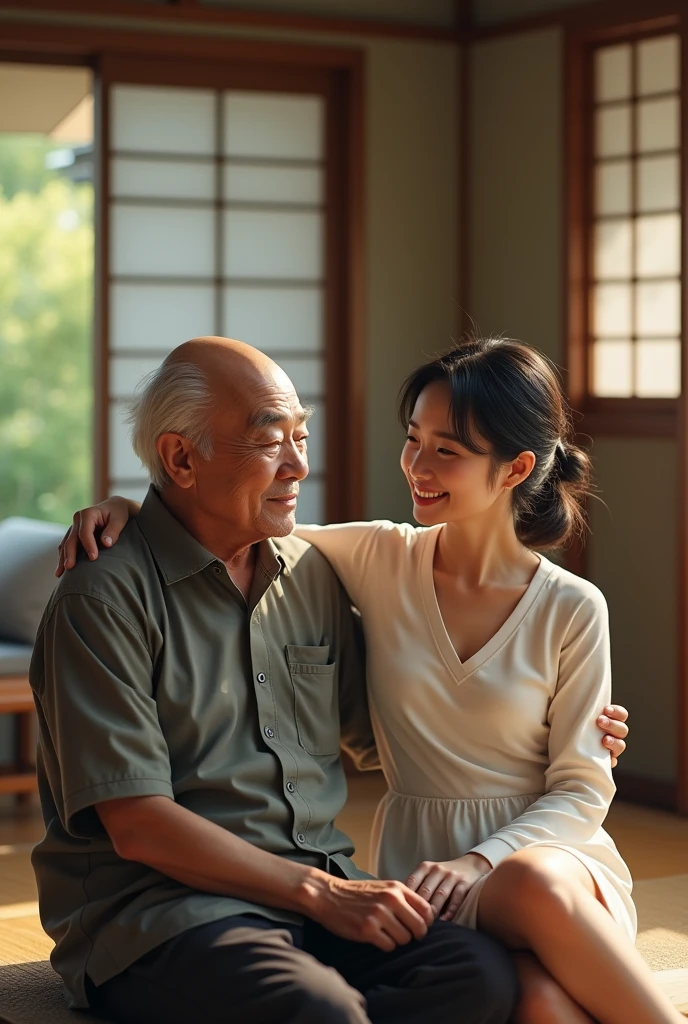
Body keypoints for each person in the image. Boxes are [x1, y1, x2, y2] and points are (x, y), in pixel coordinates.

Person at [59, 337, 646, 1024]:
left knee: (493, 967)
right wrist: (130, 510)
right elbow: (136, 825)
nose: (299, 466)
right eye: (269, 442)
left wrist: (568, 737)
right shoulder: (117, 594)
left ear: (516, 468)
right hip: (204, 906)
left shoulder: (318, 576)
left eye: (300, 437)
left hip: (440, 867)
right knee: (406, 1007)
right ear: (180, 457)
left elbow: (418, 737)